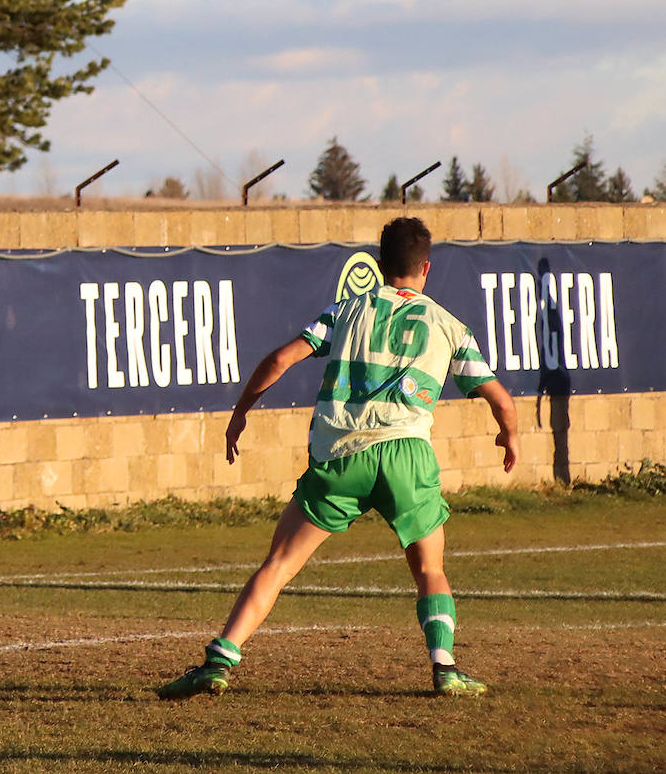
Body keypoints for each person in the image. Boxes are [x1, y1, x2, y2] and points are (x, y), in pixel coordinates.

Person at [157, 216, 519, 700]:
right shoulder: (448, 325)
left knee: (280, 564)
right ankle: (445, 669)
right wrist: (509, 436)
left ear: (378, 264)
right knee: (430, 570)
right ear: (426, 268)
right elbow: (500, 398)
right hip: (407, 457)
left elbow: (279, 359)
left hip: (341, 456)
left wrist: (241, 411)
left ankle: (219, 661)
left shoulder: (346, 311)